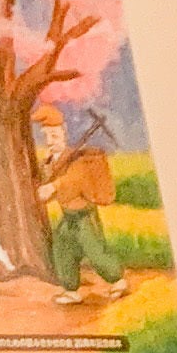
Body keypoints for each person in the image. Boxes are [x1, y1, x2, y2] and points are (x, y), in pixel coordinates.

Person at [33, 110, 129, 304]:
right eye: (47, 136)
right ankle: (71, 290)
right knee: (62, 248)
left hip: (84, 215)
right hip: (68, 216)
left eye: (54, 136)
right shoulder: (50, 162)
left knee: (95, 249)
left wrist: (54, 186)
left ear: (64, 133)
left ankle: (118, 281)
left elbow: (75, 180)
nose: (50, 141)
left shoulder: (77, 159)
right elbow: (48, 183)